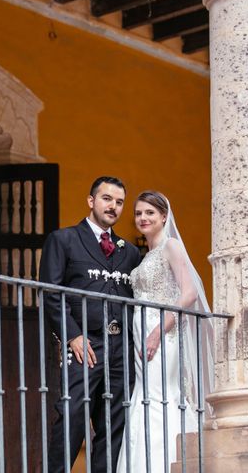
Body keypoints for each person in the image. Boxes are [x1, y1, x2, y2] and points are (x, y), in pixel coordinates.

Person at [40, 176, 141, 472]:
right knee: (72, 414)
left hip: (121, 346)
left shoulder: (130, 252)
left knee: (115, 421)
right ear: (91, 201)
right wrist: (72, 336)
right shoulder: (64, 239)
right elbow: (51, 292)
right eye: (107, 199)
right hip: (85, 343)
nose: (113, 206)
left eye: (119, 202)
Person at [116, 190, 214, 473]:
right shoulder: (146, 255)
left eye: (149, 213)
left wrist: (158, 331)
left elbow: (189, 293)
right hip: (143, 334)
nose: (143, 218)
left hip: (163, 334)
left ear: (163, 216)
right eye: (138, 213)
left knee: (161, 396)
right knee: (145, 396)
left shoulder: (171, 246)